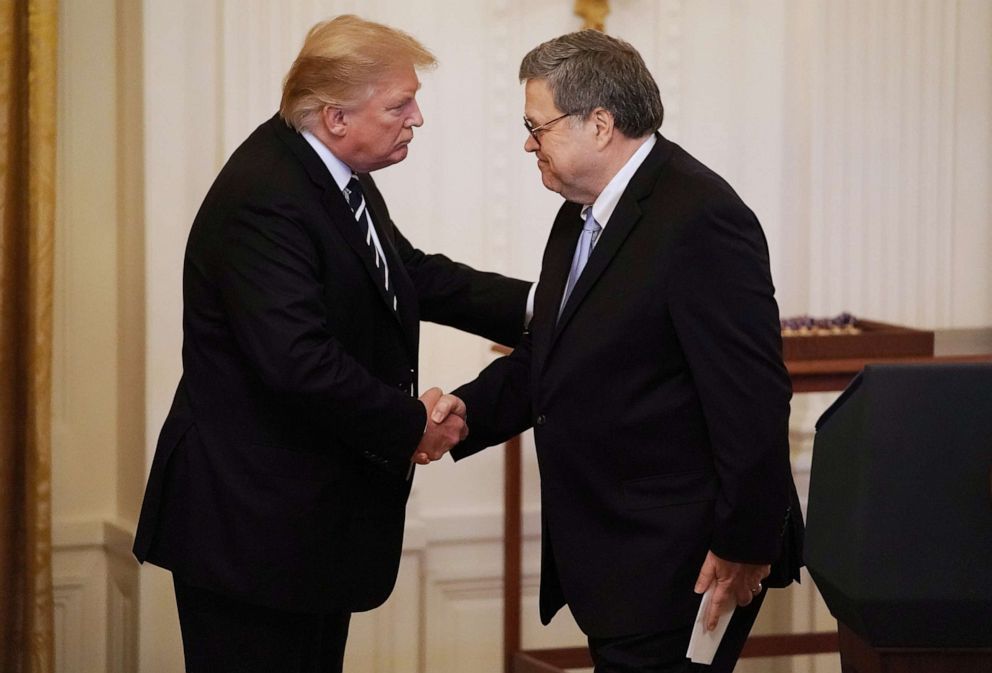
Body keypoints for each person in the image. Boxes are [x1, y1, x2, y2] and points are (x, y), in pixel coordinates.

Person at [132, 15, 531, 673]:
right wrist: (412, 425)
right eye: (399, 104)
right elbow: (299, 362)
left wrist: (551, 306)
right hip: (251, 528)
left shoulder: (326, 172)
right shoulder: (267, 193)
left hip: (306, 524)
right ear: (336, 116)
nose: (418, 118)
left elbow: (412, 273)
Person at [431, 30, 805, 672]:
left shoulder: (699, 216)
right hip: (617, 560)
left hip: (683, 562)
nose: (528, 143)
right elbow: (550, 356)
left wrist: (744, 543)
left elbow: (752, 395)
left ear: (599, 124)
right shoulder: (580, 213)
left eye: (536, 126)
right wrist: (463, 413)